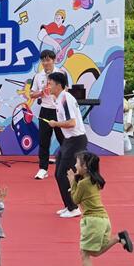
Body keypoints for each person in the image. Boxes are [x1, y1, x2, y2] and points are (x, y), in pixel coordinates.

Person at [70, 151, 133, 266]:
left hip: (92, 221)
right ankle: (118, 238)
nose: (75, 165)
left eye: (77, 163)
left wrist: (72, 181)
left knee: (85, 253)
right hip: (104, 220)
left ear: (85, 166)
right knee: (95, 252)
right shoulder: (94, 180)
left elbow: (75, 200)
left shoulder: (83, 183)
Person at [47, 72, 88, 218]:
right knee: (58, 174)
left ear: (58, 85)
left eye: (50, 84)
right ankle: (68, 205)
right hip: (68, 141)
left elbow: (72, 123)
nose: (48, 86)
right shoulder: (59, 99)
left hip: (76, 141)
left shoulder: (65, 99)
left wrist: (55, 124)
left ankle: (74, 208)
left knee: (64, 174)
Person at [30, 50, 64, 180]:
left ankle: (68, 166)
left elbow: (66, 91)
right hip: (45, 110)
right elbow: (32, 94)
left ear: (54, 60)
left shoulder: (61, 73)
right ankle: (43, 169)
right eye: (43, 60)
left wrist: (55, 90)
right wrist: (41, 92)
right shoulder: (38, 76)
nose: (45, 63)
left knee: (63, 140)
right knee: (44, 141)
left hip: (59, 111)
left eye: (48, 60)